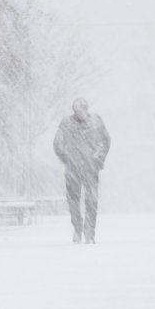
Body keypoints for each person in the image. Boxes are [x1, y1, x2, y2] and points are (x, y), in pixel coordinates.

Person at [53, 98, 110, 244]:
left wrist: (98, 158)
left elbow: (106, 140)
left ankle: (89, 232)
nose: (79, 114)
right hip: (73, 168)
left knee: (91, 200)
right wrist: (68, 159)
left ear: (86, 109)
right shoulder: (66, 123)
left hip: (91, 167)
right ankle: (77, 229)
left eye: (81, 110)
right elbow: (58, 144)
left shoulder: (96, 121)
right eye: (76, 111)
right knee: (73, 201)